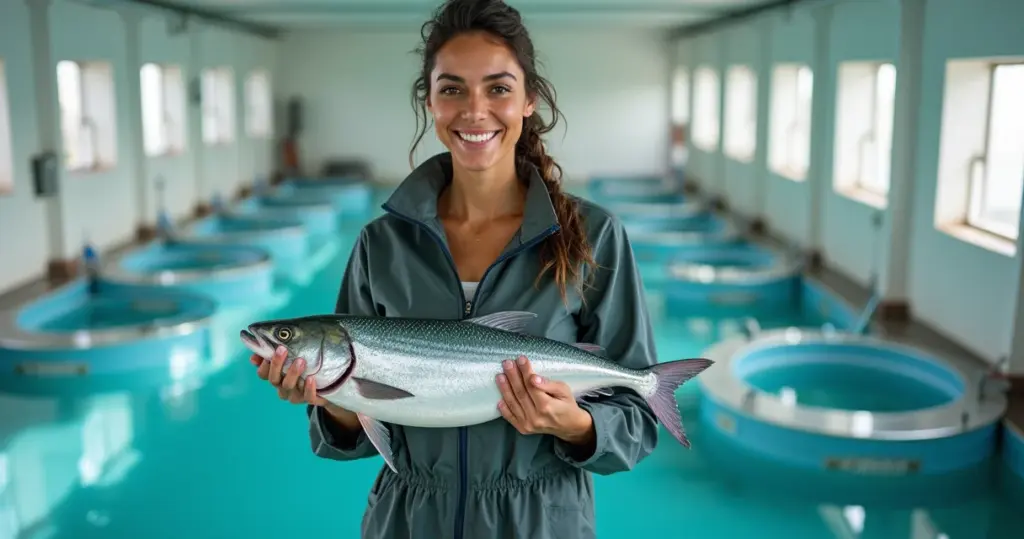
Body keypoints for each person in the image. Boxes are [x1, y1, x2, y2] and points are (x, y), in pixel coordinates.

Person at [250, 0, 661, 536]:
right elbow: (348, 437)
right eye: (452, 89)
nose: (474, 111)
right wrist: (332, 400)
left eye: (498, 88)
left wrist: (575, 424)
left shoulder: (593, 236)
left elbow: (637, 422)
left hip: (540, 521)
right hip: (409, 519)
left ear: (529, 99)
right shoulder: (383, 244)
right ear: (430, 103)